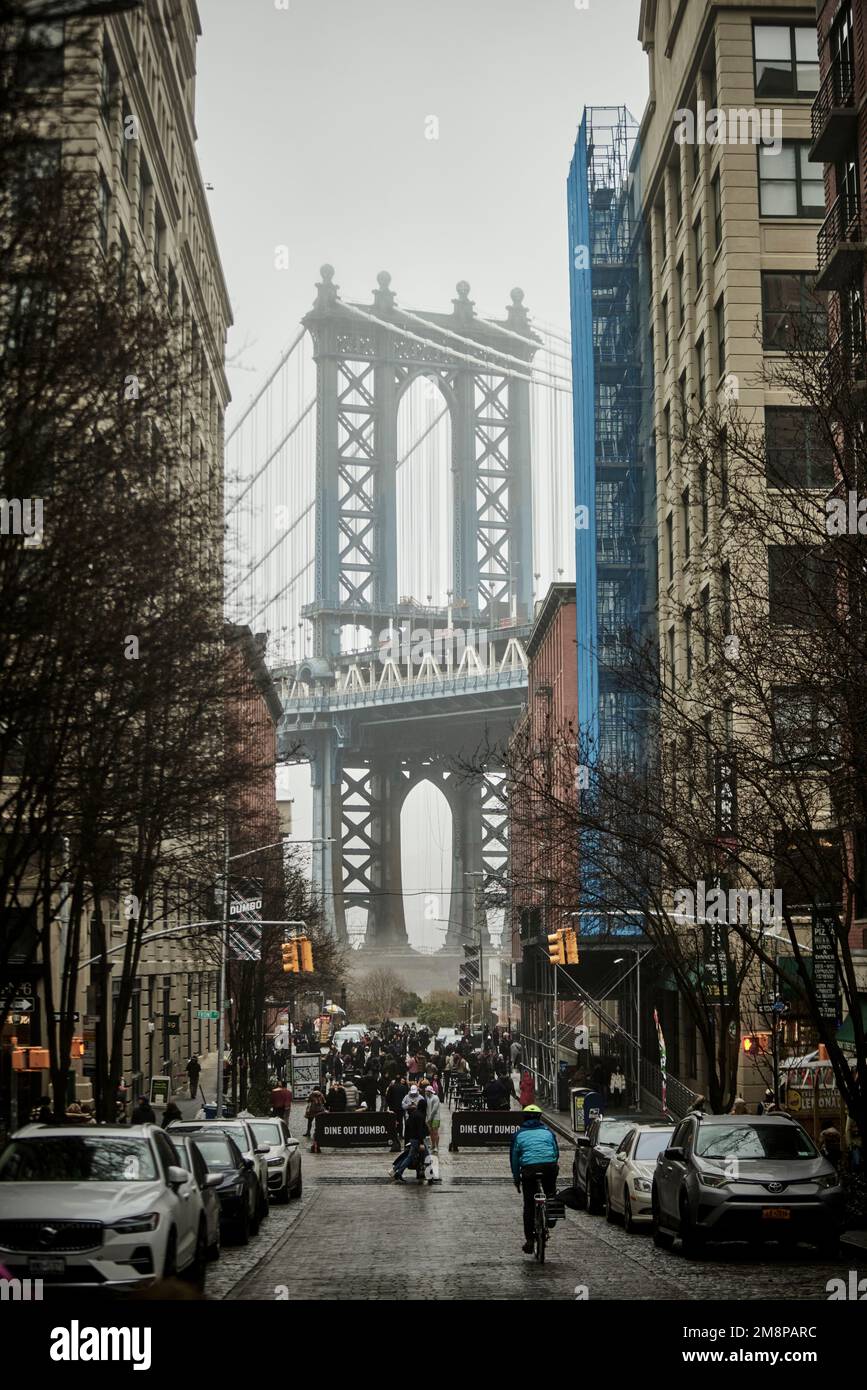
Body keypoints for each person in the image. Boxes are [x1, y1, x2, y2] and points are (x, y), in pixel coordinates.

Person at [510, 1104, 560, 1254]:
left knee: (529, 1205)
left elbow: (514, 1160)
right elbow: (556, 1153)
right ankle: (551, 1216)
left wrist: (516, 1179)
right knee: (550, 1193)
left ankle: (530, 1240)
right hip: (548, 1168)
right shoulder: (548, 1132)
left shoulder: (519, 1135)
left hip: (529, 1171)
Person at [391, 1101, 429, 1183]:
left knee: (410, 1157)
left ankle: (398, 1172)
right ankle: (430, 1175)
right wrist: (422, 1142)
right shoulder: (420, 1116)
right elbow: (420, 1130)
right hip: (417, 1140)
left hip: (412, 1139)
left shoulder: (414, 1114)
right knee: (426, 1156)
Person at [424, 1084, 441, 1154]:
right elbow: (427, 1109)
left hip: (435, 1118)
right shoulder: (427, 1098)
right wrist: (427, 1118)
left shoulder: (435, 1098)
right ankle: (433, 1145)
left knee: (435, 1132)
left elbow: (434, 1110)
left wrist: (429, 1118)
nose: (425, 1093)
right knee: (431, 1132)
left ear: (429, 1091)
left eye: (426, 1092)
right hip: (429, 1118)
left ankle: (436, 1146)